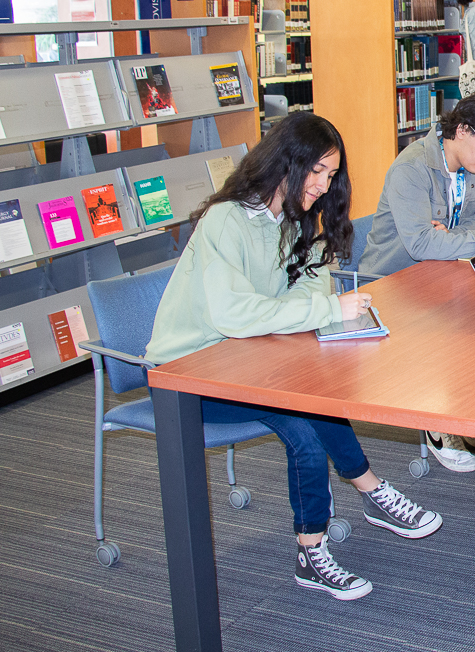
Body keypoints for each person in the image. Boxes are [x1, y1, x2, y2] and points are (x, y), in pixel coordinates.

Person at [145, 112, 442, 602]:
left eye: (332, 174)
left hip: (247, 353)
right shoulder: (228, 220)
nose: (324, 185)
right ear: (286, 164)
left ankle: (370, 490)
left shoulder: (293, 215)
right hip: (189, 373)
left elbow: (312, 285)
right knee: (303, 427)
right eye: (318, 171)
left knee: (320, 393)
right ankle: (311, 551)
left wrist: (308, 306)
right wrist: (319, 310)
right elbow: (233, 314)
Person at [357, 91, 475, 471]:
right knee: (463, 323)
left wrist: (453, 237)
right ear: (462, 130)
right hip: (394, 285)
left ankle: (471, 409)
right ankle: (440, 421)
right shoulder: (412, 169)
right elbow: (420, 244)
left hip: (444, 270)